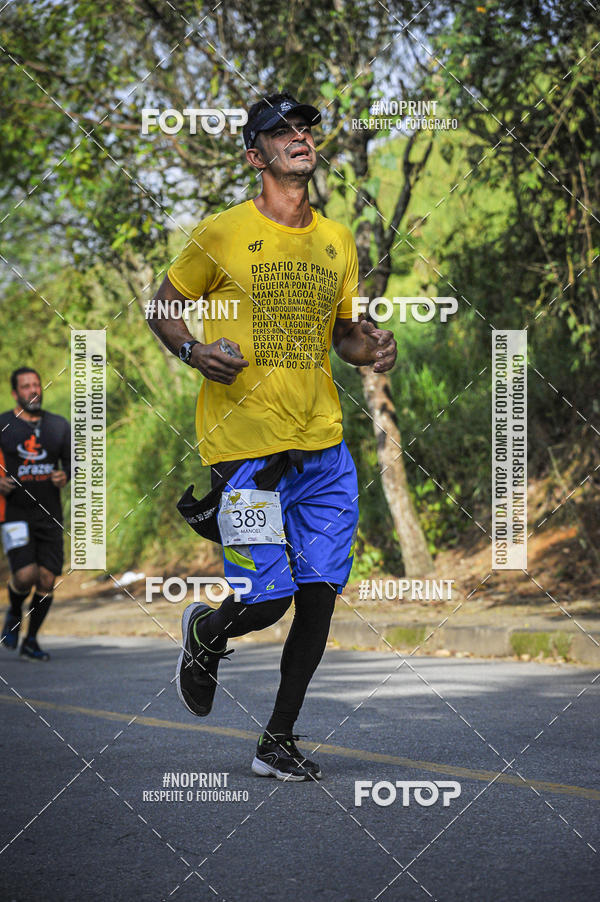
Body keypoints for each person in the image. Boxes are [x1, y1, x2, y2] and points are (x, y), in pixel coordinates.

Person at [148, 91, 397, 781]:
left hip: (324, 450)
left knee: (318, 594)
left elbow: (343, 332)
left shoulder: (337, 239)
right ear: (254, 154)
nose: (300, 137)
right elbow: (161, 306)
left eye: (306, 128)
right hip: (245, 452)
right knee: (269, 597)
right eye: (281, 131)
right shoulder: (220, 233)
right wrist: (192, 351)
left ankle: (277, 740)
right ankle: (206, 630)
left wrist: (371, 345)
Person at [0, 368, 70, 660]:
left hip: (49, 513)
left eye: (36, 385)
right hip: (14, 512)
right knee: (26, 574)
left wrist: (64, 474)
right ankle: (14, 612)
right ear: (16, 393)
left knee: (46, 580)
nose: (33, 390)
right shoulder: (3, 424)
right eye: (26, 386)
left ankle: (31, 641)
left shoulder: (57, 425)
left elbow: (72, 462)